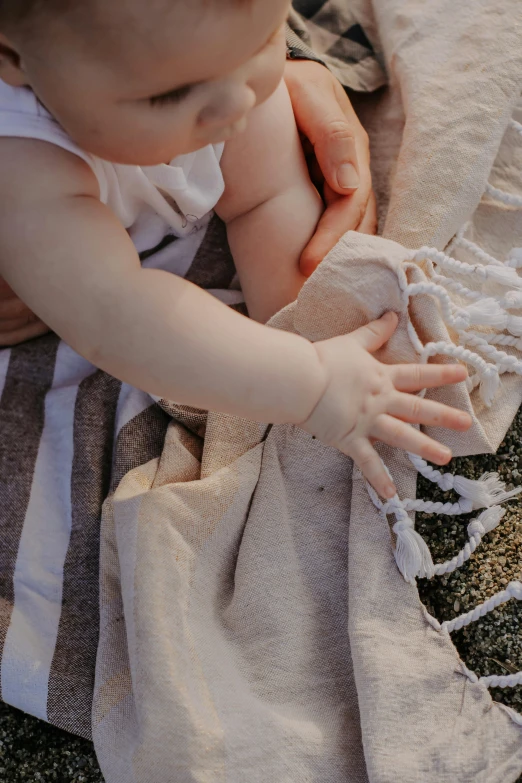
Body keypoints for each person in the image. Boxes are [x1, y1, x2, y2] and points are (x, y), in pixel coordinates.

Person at [0, 0, 472, 499]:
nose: (236, 103)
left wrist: (312, 332)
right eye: (171, 94)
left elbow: (267, 198)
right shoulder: (24, 166)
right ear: (12, 58)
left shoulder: (215, 65)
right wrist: (308, 384)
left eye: (261, 43)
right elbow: (115, 314)